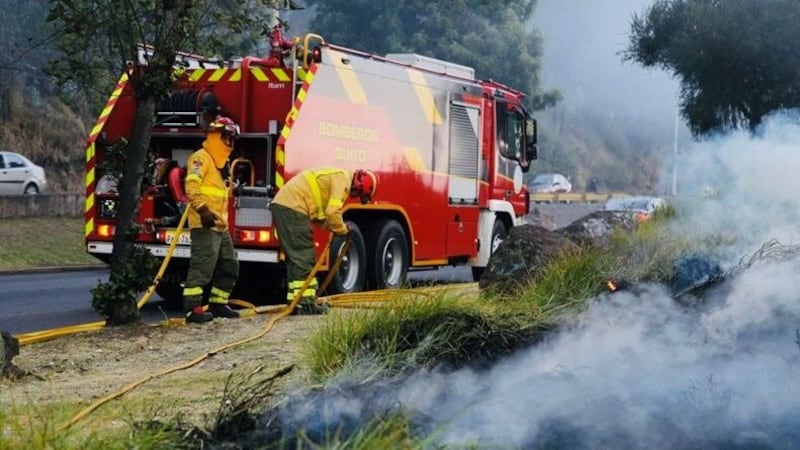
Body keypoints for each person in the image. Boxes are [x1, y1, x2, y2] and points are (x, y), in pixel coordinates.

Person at [269, 167, 378, 314]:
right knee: (304, 257)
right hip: (292, 207)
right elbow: (332, 212)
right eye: (358, 194)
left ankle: (295, 301)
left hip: (286, 206)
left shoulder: (337, 177)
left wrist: (336, 228)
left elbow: (322, 218)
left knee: (295, 259)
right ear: (359, 185)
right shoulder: (343, 179)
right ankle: (307, 304)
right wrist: (342, 230)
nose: (354, 196)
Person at [182, 116, 241, 323]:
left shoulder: (219, 164)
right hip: (204, 223)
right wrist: (203, 210)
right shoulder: (201, 158)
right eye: (227, 138)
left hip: (219, 226)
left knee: (230, 264)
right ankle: (193, 310)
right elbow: (191, 186)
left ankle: (218, 304)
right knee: (202, 266)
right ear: (217, 136)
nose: (230, 144)